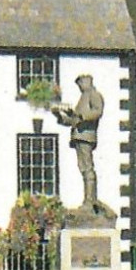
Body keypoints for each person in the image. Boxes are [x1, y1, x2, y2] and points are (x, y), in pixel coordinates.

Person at [51, 74, 107, 213]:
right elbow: (73, 121)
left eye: (80, 83)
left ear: (88, 81)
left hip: (86, 136)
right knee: (83, 168)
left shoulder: (94, 94)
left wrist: (81, 116)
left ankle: (90, 201)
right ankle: (88, 200)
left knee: (87, 167)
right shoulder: (83, 97)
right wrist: (59, 115)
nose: (80, 86)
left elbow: (97, 111)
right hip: (79, 136)